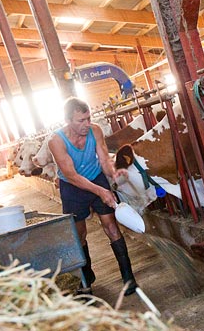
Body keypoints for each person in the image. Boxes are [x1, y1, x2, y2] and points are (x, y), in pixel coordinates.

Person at [48, 97, 138, 296]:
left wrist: (113, 173)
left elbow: (104, 158)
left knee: (112, 226)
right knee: (79, 235)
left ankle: (128, 278)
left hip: (96, 177)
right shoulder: (56, 141)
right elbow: (71, 175)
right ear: (68, 120)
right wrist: (101, 191)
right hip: (73, 187)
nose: (86, 124)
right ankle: (87, 278)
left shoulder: (95, 130)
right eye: (81, 121)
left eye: (88, 118)